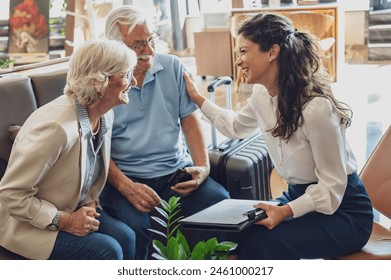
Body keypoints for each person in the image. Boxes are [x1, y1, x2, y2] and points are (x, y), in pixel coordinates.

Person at [183, 13, 374, 260]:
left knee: (262, 244)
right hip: (299, 197)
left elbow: (332, 188)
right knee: (234, 234)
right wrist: (198, 99)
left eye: (243, 51)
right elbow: (236, 127)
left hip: (344, 212)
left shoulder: (316, 108)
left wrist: (285, 211)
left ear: (272, 52)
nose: (238, 61)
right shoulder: (261, 96)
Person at [100, 5, 230, 259]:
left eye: (151, 39)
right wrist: (127, 187)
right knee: (136, 227)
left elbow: (190, 122)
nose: (148, 50)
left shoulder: (172, 67)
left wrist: (202, 167)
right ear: (115, 46)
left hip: (175, 172)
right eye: (137, 44)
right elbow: (96, 149)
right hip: (127, 179)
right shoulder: (103, 82)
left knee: (220, 201)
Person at [0, 39, 138, 260]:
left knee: (127, 236)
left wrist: (90, 204)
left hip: (73, 207)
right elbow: (12, 195)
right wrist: (66, 221)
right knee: (108, 250)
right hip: (27, 224)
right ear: (99, 82)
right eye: (126, 74)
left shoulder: (104, 115)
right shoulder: (55, 128)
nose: (134, 81)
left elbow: (90, 172)